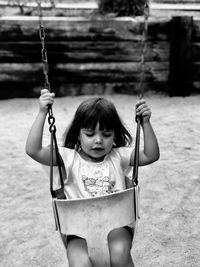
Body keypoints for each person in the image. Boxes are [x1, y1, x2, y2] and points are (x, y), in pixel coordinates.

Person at [26, 89, 159, 267]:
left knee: (119, 255)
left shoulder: (119, 156)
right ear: (78, 135)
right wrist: (43, 112)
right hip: (78, 231)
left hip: (116, 226)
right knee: (79, 263)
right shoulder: (68, 159)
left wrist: (145, 124)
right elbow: (33, 150)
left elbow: (151, 155)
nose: (98, 140)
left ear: (114, 135)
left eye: (106, 135)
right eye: (90, 134)